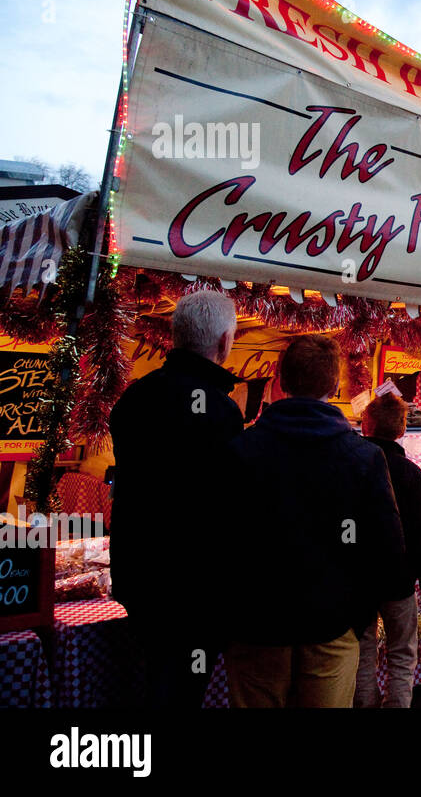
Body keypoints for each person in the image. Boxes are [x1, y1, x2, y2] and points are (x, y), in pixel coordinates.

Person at [217, 334, 406, 707]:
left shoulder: (239, 451)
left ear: (281, 382)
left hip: (256, 627)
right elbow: (389, 550)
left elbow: (217, 542)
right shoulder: (363, 457)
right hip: (331, 627)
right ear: (335, 385)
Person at [109, 291, 245, 707]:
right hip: (196, 588)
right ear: (223, 342)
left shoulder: (134, 398)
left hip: (140, 576)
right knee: (184, 687)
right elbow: (228, 504)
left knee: (159, 679)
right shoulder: (221, 412)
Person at [354, 393, 421, 708]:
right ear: (403, 430)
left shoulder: (354, 465)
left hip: (360, 579)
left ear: (366, 425)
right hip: (400, 579)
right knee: (402, 654)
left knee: (363, 652)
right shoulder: (410, 472)